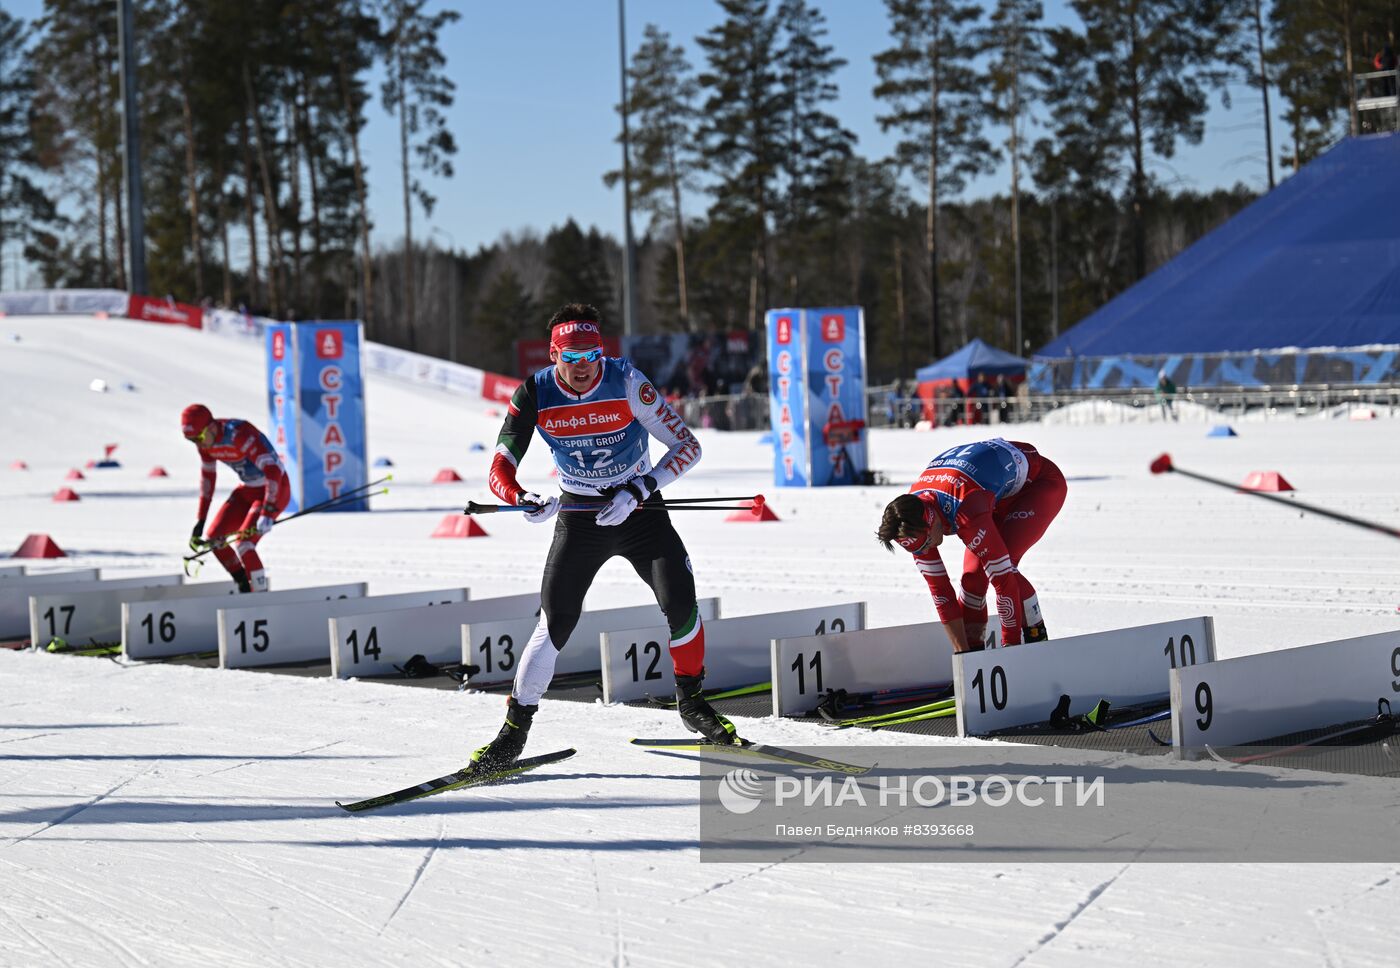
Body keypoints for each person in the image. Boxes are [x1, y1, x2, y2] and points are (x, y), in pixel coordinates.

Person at [475, 303, 727, 770]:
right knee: (555, 622)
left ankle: (691, 703)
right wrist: (521, 498)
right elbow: (499, 468)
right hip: (579, 516)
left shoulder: (629, 382)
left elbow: (687, 446)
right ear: (553, 356)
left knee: (682, 605)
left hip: (640, 512)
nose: (582, 365)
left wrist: (640, 488)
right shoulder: (534, 392)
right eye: (570, 358)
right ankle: (512, 734)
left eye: (591, 354)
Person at [876, 438, 1066, 653]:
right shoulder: (910, 520)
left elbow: (1004, 582)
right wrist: (963, 658)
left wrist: (1010, 649)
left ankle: (1036, 639)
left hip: (1038, 485)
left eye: (928, 543)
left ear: (932, 522)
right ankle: (974, 656)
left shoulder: (965, 509)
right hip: (991, 490)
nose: (925, 551)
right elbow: (941, 592)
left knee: (1005, 568)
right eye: (916, 550)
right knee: (972, 580)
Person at [181, 404, 289, 593]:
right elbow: (208, 479)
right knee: (214, 539)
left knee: (244, 544)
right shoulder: (205, 443)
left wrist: (268, 510)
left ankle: (262, 597)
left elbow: (272, 471)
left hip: (274, 487)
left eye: (199, 438)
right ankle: (244, 587)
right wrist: (201, 520)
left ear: (211, 426)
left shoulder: (239, 434)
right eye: (192, 441)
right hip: (248, 489)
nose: (199, 444)